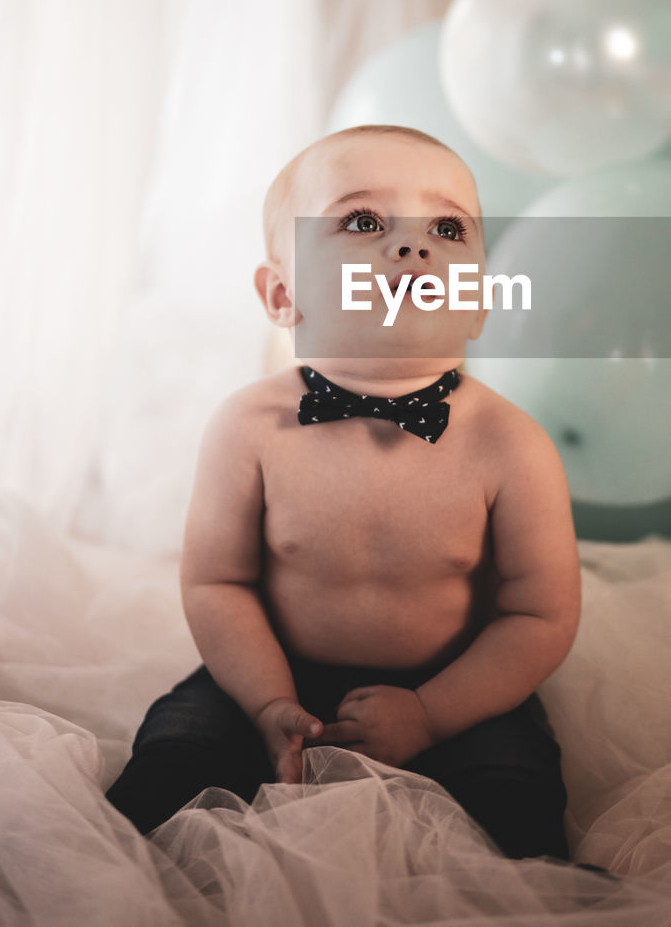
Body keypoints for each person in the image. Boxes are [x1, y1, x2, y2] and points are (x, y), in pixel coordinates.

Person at [106, 124, 583, 862]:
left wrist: (431, 713)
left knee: (514, 794)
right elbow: (217, 581)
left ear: (480, 300)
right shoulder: (247, 427)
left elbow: (538, 613)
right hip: (271, 662)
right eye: (363, 221)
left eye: (448, 227)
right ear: (281, 293)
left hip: (458, 683)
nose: (413, 246)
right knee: (175, 756)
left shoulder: (509, 445)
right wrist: (266, 699)